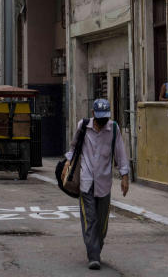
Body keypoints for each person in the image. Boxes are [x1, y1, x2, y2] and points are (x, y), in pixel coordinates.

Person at [64, 99, 130, 270]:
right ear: (93, 114)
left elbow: (121, 153)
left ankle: (96, 247)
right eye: (99, 119)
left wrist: (124, 176)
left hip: (104, 182)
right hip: (86, 181)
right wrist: (66, 164)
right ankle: (93, 255)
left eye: (104, 119)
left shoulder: (113, 129)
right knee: (90, 219)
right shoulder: (83, 126)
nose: (102, 123)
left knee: (102, 222)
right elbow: (73, 147)